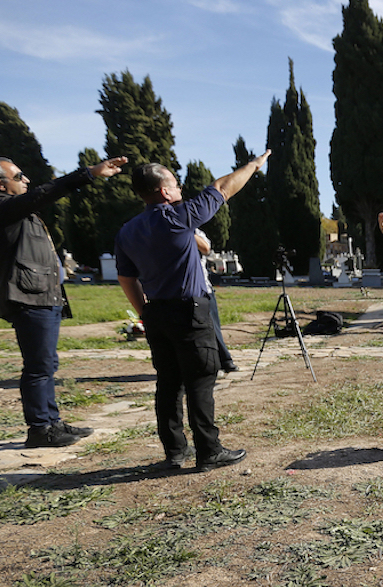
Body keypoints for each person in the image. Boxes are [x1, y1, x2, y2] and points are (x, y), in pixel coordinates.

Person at [115, 151, 270, 470]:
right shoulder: (179, 216)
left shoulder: (128, 230)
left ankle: (174, 451)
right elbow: (223, 188)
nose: (181, 189)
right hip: (189, 311)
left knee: (168, 383)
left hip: (156, 312)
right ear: (164, 191)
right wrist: (253, 166)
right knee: (201, 379)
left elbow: (126, 277)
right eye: (176, 183)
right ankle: (208, 450)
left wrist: (144, 312)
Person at [0, 152, 127, 448]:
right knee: (38, 366)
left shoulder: (15, 209)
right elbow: (41, 195)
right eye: (18, 176)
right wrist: (87, 174)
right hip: (28, 297)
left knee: (46, 363)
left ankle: (52, 422)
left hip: (44, 294)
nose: (27, 180)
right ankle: (40, 429)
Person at [194, 229, 236, 372]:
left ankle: (225, 360)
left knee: (213, 325)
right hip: (180, 290)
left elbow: (206, 249)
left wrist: (187, 231)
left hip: (203, 288)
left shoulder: (196, 232)